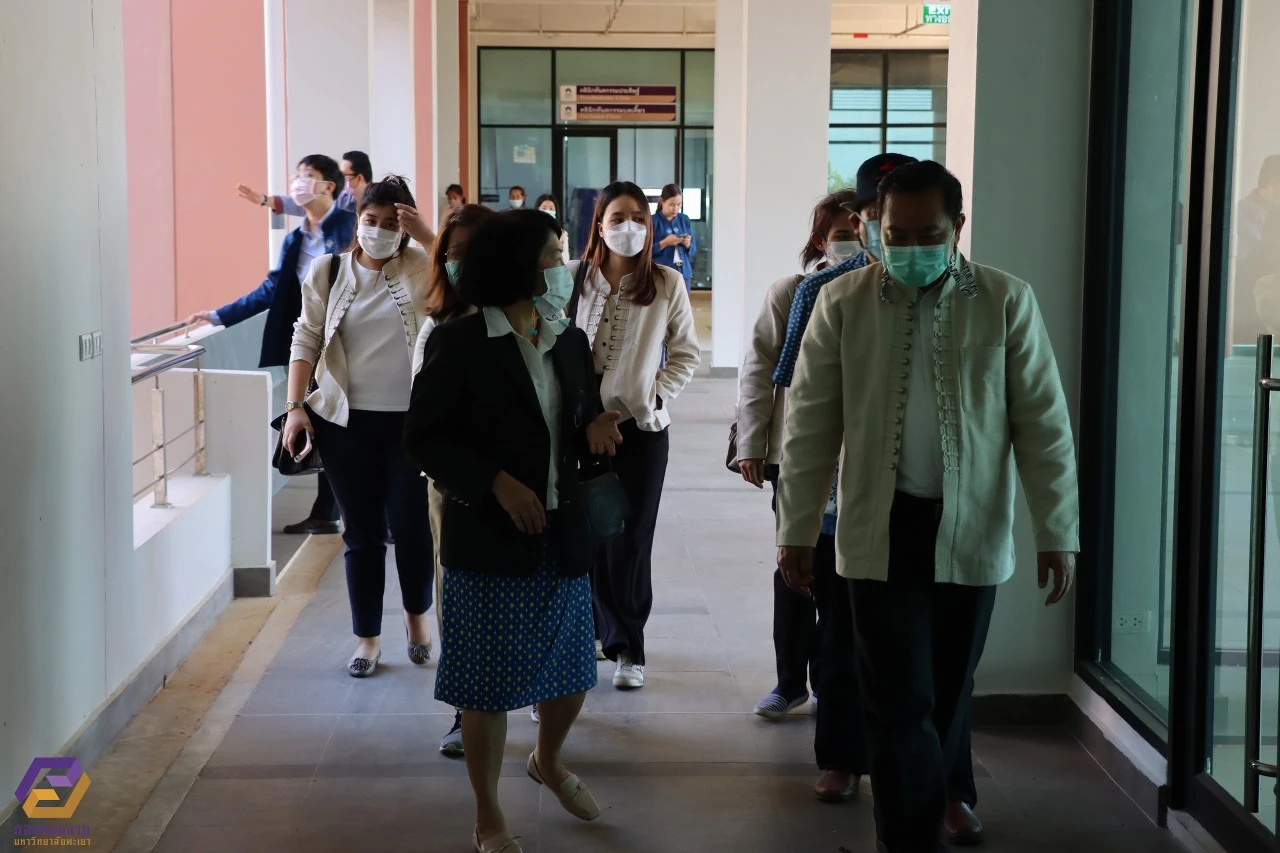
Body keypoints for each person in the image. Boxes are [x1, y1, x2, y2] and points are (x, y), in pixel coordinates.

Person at [776, 160, 1079, 853]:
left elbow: (1044, 426)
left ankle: (936, 801)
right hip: (877, 530)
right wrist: (795, 529)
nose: (910, 247)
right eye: (897, 233)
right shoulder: (842, 303)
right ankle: (908, 839)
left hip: (970, 530)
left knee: (945, 693)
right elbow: (811, 426)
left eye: (928, 234)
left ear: (958, 228)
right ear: (873, 227)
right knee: (897, 701)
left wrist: (1057, 530)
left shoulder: (1006, 300)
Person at [404, 209, 625, 853]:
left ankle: (547, 761)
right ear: (518, 265)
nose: (564, 268)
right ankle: (488, 813)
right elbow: (423, 439)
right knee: (487, 686)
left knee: (572, 669)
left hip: (562, 529)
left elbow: (572, 420)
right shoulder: (463, 341)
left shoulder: (567, 339)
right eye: (553, 256)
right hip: (491, 538)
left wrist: (592, 430)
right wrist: (494, 480)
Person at [736, 189, 871, 802]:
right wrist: (754, 441)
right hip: (801, 457)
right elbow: (761, 368)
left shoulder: (884, 290)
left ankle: (838, 696)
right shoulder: (795, 292)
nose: (849, 232)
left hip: (865, 470)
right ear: (819, 236)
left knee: (849, 592)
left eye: (858, 222)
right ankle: (792, 680)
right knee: (798, 569)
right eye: (837, 225)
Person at [281, 176, 435, 677]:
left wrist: (429, 237)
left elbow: (471, 281)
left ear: (406, 227)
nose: (380, 232)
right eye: (372, 221)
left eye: (393, 224)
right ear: (358, 221)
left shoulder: (423, 267)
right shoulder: (328, 271)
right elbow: (305, 338)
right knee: (361, 532)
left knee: (412, 528)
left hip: (412, 423)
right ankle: (367, 637)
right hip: (344, 422)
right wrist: (296, 406)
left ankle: (417, 619)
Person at [568, 181, 701, 690]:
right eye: (618, 217)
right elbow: (554, 349)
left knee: (630, 538)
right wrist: (584, 419)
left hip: (640, 433)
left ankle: (628, 646)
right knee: (588, 538)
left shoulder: (666, 282)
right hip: (578, 432)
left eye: (639, 219)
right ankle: (597, 632)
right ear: (599, 224)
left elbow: (685, 354)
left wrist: (646, 401)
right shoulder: (573, 279)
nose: (630, 227)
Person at [186, 154, 355, 535]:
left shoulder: (348, 225)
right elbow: (271, 290)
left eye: (307, 176)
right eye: (297, 176)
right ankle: (326, 511)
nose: (298, 182)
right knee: (323, 423)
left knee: (355, 424)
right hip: (315, 345)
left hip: (352, 341)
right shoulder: (296, 239)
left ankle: (374, 512)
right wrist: (217, 316)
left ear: (329, 185)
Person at [410, 202, 497, 757]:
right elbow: (425, 425)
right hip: (456, 487)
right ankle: (466, 710)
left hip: (526, 482)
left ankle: (528, 690)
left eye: (473, 251)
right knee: (459, 596)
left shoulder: (531, 318)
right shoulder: (438, 325)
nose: (461, 263)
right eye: (452, 253)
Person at [237, 150, 371, 216]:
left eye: (343, 175)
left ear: (359, 178)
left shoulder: (381, 202)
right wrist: (265, 200)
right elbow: (302, 206)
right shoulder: (342, 201)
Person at [651, 184, 697, 292]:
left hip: (683, 272)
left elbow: (693, 250)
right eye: (671, 204)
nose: (675, 208)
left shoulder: (684, 219)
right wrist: (664, 243)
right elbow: (645, 251)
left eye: (679, 204)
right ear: (662, 201)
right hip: (661, 273)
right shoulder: (653, 221)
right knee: (662, 307)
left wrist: (688, 244)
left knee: (683, 308)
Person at [536, 193, 571, 264]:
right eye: (544, 208)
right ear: (538, 209)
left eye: (551, 208)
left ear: (556, 212)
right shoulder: (531, 231)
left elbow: (566, 261)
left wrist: (558, 248)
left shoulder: (562, 234)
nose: (548, 211)